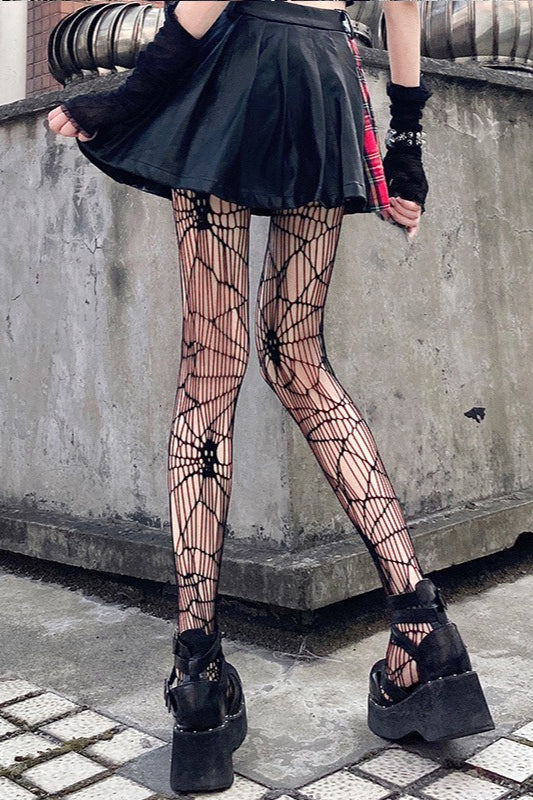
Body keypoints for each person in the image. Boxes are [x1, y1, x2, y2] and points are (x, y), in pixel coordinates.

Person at [47, 0, 494, 793]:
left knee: (209, 371)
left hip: (234, 67)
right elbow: (404, 4)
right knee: (297, 358)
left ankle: (196, 676)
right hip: (322, 79)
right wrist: (406, 144)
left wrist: (124, 98)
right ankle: (421, 626)